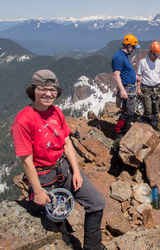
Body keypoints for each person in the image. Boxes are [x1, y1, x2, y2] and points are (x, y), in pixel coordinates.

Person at [11, 69, 106, 249]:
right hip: (43, 177)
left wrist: (76, 172)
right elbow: (26, 161)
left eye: (52, 89)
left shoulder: (56, 112)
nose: (48, 93)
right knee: (56, 221)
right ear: (34, 90)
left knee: (96, 203)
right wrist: (38, 191)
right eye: (43, 89)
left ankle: (93, 247)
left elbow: (67, 143)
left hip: (64, 169)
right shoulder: (23, 120)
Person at [112, 34, 140, 140]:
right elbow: (116, 74)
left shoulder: (123, 56)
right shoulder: (119, 57)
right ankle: (118, 132)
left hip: (129, 89)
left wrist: (134, 76)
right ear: (128, 46)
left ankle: (126, 130)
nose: (133, 50)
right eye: (133, 47)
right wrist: (123, 90)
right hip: (127, 90)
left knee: (129, 111)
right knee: (127, 112)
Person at [137, 41, 160, 118]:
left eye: (158, 55)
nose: (156, 57)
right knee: (148, 109)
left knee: (156, 109)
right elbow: (139, 76)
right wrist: (138, 88)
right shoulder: (143, 62)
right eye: (155, 55)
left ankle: (153, 124)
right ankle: (146, 124)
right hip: (146, 88)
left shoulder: (159, 63)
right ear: (150, 52)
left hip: (156, 88)